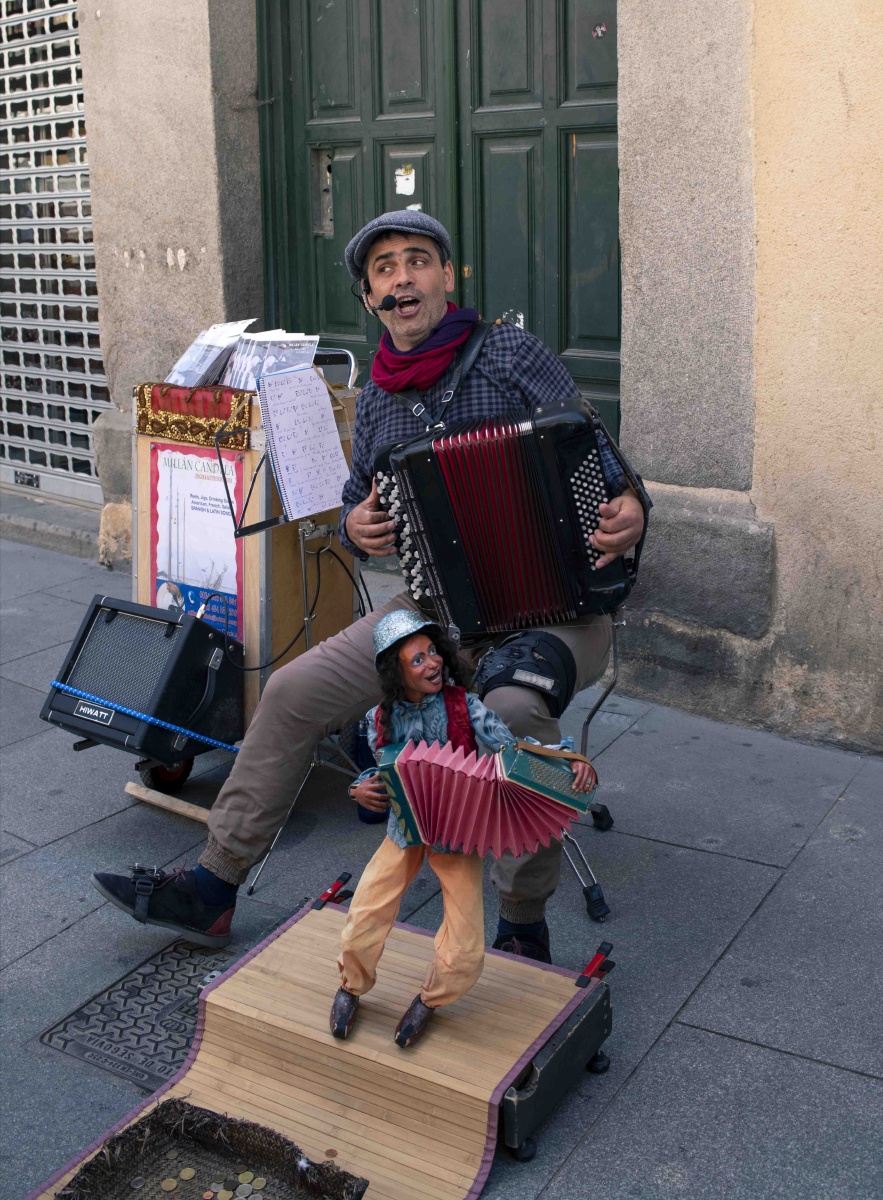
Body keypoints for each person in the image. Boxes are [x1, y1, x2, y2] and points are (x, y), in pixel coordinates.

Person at [92, 210, 647, 963]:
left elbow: (605, 459)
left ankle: (521, 924)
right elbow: (360, 502)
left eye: (416, 262)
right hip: (433, 615)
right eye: (383, 271)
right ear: (370, 299)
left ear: (446, 278)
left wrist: (630, 511)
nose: (401, 279)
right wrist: (358, 526)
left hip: (558, 614)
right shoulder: (380, 398)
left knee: (510, 708)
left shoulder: (511, 354)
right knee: (291, 694)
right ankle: (213, 888)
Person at [330, 610, 596, 1048]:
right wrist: (359, 789)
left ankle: (431, 999)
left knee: (466, 940)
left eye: (433, 652)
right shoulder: (382, 718)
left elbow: (512, 750)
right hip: (405, 829)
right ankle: (350, 987)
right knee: (364, 915)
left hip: (456, 835)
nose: (432, 663)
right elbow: (375, 772)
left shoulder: (465, 706)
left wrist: (567, 759)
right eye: (416, 660)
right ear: (395, 672)